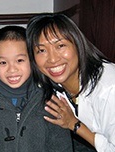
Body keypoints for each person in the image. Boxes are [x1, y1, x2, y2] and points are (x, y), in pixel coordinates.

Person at [0, 25, 73, 152]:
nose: (12, 69)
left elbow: (62, 145)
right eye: (3, 63)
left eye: (20, 60)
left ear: (32, 60)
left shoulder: (50, 100)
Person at [25, 13, 115, 152]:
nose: (53, 59)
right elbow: (9, 74)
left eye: (60, 46)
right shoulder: (46, 79)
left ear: (78, 45)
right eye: (41, 50)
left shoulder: (109, 87)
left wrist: (74, 124)